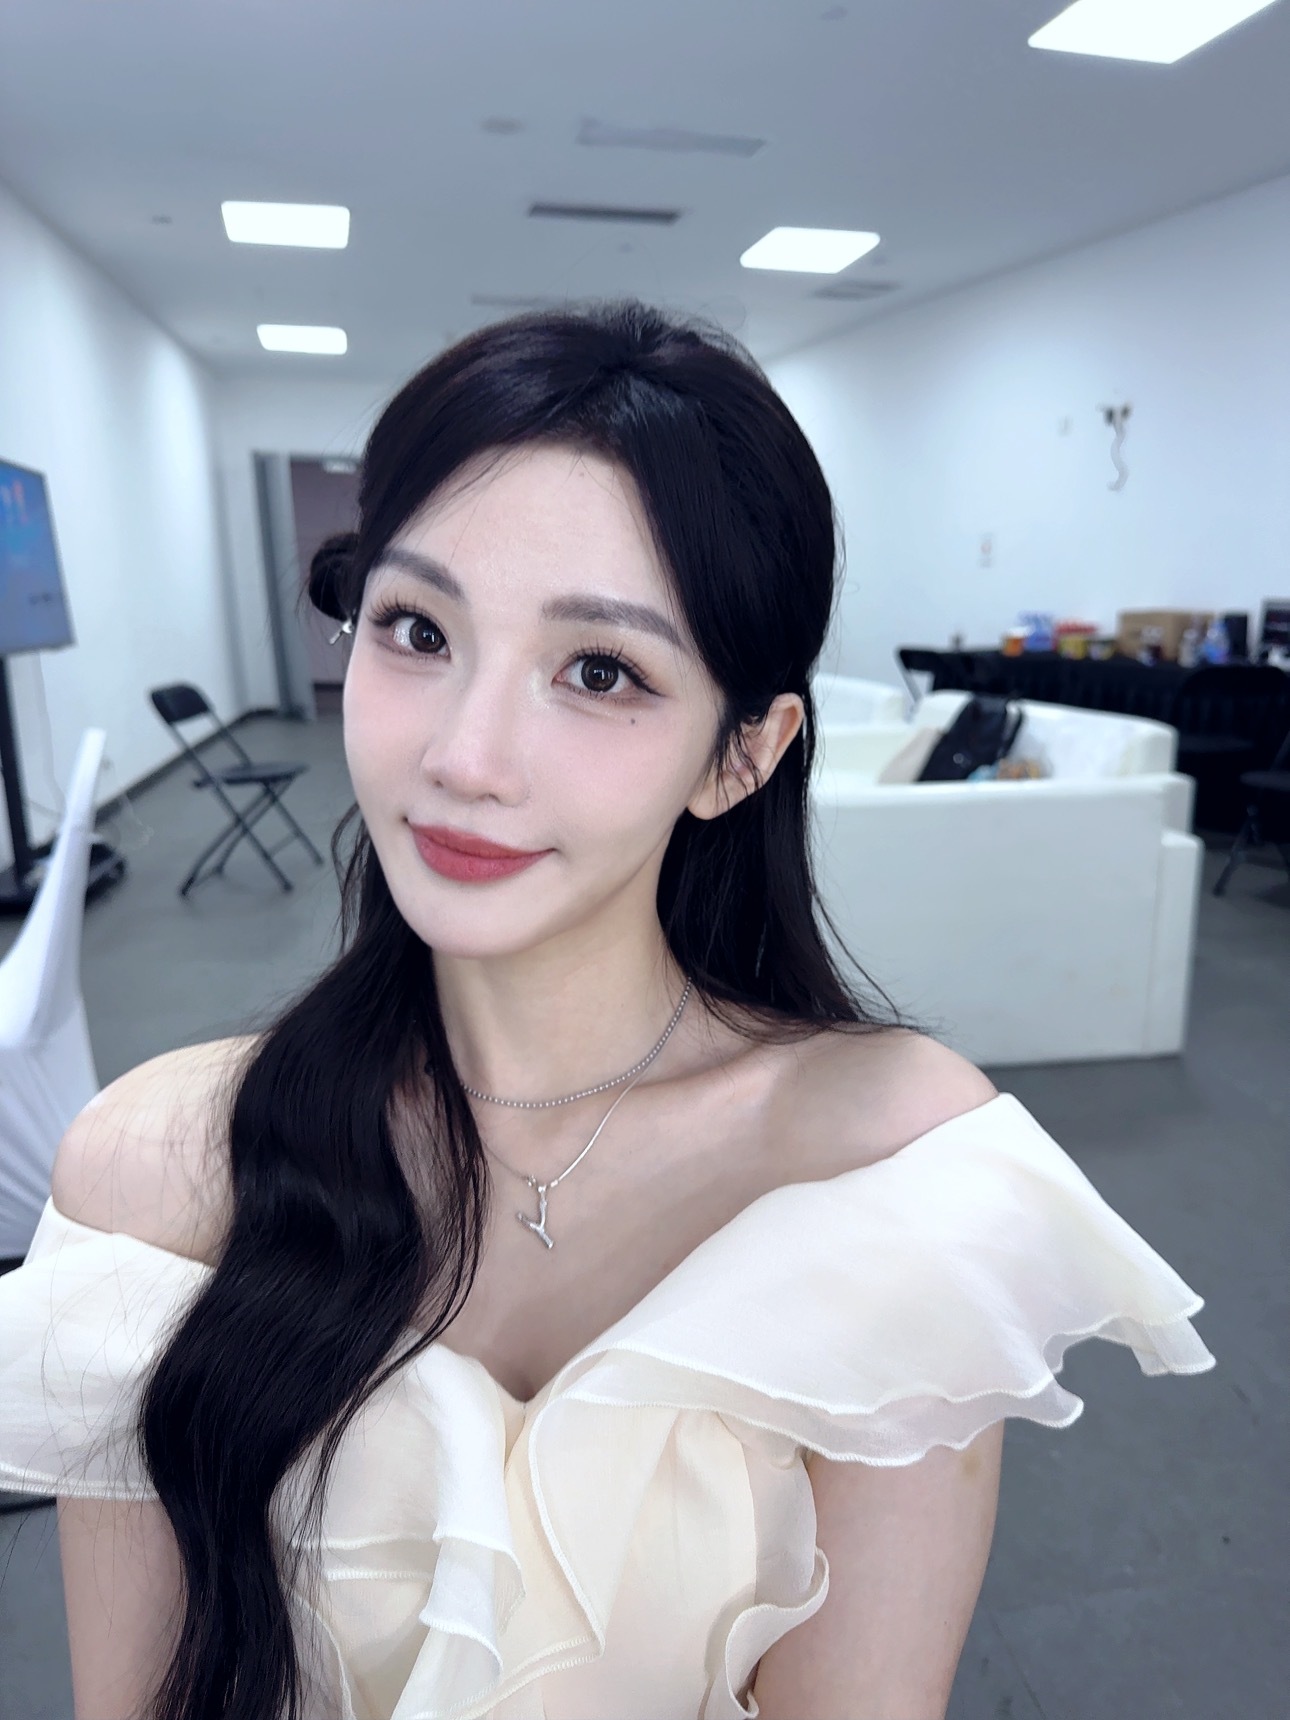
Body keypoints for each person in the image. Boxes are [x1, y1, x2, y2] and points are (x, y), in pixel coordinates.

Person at [0, 300, 1214, 1720]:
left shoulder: (888, 1174)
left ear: (741, 756)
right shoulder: (158, 1174)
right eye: (416, 629)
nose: (465, 757)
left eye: (599, 672)